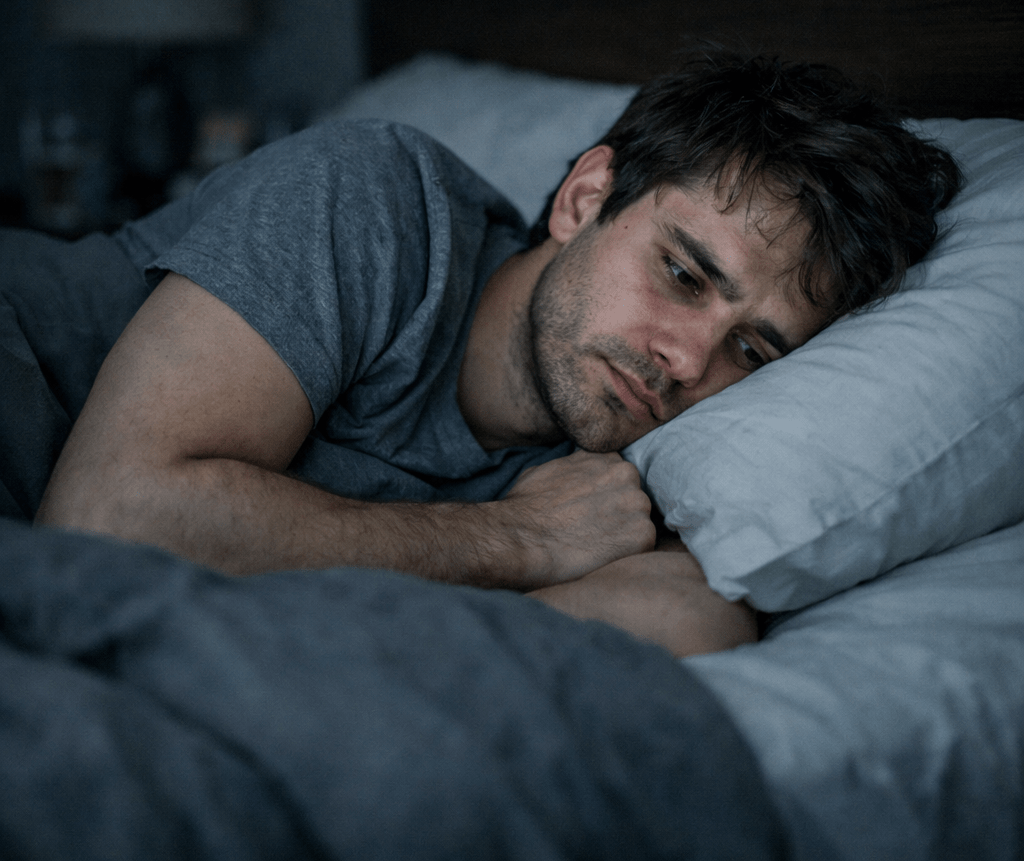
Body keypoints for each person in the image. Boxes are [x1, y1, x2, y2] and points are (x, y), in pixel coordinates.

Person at [22, 54, 960, 656]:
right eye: (681, 273)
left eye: (750, 350)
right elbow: (106, 523)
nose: (686, 362)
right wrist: (518, 542)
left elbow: (687, 619)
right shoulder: (377, 201)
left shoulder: (615, 480)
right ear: (586, 198)